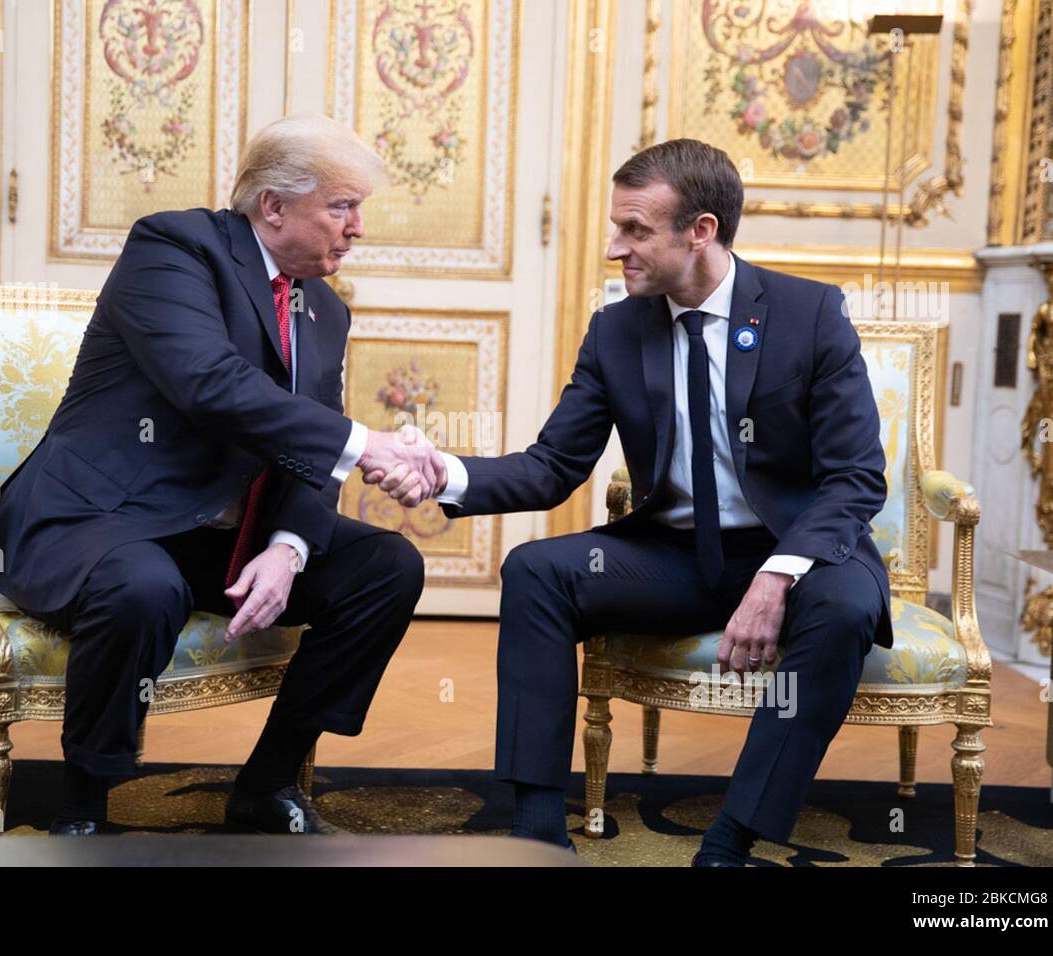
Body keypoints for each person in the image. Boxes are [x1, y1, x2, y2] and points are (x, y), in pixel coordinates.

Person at [382, 138, 891, 864]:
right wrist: (444, 474)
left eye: (635, 230)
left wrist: (778, 575)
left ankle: (732, 838)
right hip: (678, 558)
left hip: (799, 555)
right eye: (617, 228)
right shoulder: (618, 328)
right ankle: (535, 827)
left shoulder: (806, 314)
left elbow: (856, 477)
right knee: (538, 571)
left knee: (844, 611)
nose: (615, 248)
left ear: (702, 230)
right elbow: (553, 465)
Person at [0, 115, 444, 835]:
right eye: (341, 206)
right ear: (273, 206)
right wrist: (368, 445)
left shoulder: (324, 307)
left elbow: (310, 446)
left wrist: (287, 548)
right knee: (142, 583)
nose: (357, 228)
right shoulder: (173, 249)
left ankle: (267, 785)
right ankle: (83, 807)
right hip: (105, 517)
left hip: (219, 536)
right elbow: (209, 382)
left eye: (359, 209)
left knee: (386, 566)